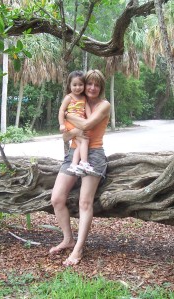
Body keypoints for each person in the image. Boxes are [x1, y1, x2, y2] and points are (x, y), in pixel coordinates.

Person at [50, 69, 111, 266]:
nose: (92, 87)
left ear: (101, 87)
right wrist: (73, 127)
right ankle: (68, 239)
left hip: (94, 155)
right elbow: (66, 136)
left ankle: (78, 249)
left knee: (85, 203)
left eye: (96, 84)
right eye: (89, 84)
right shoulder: (77, 100)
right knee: (57, 198)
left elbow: (86, 125)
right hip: (72, 154)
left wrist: (68, 115)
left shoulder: (104, 105)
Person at [58, 70, 96, 176]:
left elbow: (87, 111)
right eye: (74, 85)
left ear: (84, 85)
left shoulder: (84, 98)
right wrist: (61, 124)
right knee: (85, 140)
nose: (77, 87)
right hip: (70, 123)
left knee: (79, 144)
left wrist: (90, 120)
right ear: (69, 85)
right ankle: (83, 162)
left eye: (80, 84)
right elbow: (61, 111)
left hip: (79, 123)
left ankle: (74, 165)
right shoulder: (69, 97)